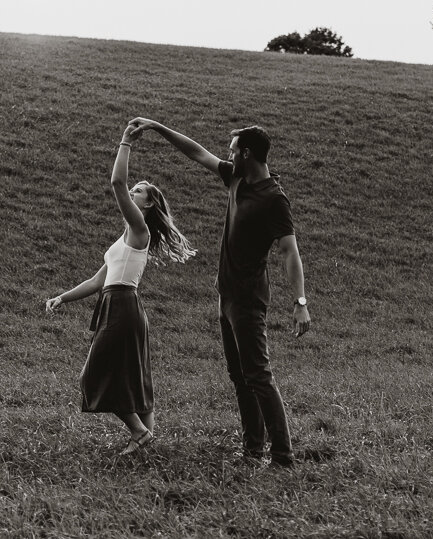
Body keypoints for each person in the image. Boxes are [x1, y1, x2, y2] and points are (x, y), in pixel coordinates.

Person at [129, 118, 311, 467]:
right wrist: (156, 127)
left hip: (248, 300)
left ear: (246, 153)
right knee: (240, 377)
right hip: (226, 296)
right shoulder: (236, 177)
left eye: (232, 150)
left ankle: (283, 456)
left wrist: (300, 302)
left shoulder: (274, 198)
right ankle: (253, 449)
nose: (226, 156)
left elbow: (290, 251)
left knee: (258, 375)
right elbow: (196, 152)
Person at [46, 123, 196, 455]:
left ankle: (140, 433)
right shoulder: (125, 240)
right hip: (118, 304)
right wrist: (62, 297)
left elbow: (116, 182)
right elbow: (98, 281)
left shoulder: (139, 229)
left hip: (123, 306)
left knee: (93, 375)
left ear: (148, 205)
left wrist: (126, 141)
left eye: (139, 190)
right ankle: (145, 443)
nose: (133, 190)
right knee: (134, 375)